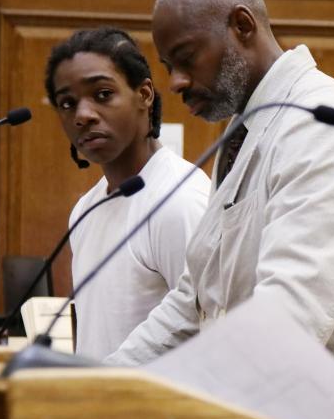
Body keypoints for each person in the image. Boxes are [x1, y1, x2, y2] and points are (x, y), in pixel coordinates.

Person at [105, 0, 334, 412]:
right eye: (169, 66)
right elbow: (194, 302)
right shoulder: (244, 131)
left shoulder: (320, 124)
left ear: (242, 25)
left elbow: (288, 321)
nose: (176, 83)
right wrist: (99, 382)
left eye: (186, 59)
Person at [45, 27, 210, 361]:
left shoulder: (179, 199)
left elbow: (208, 327)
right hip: (99, 405)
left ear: (144, 94)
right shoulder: (85, 209)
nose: (83, 115)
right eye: (67, 103)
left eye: (103, 94)